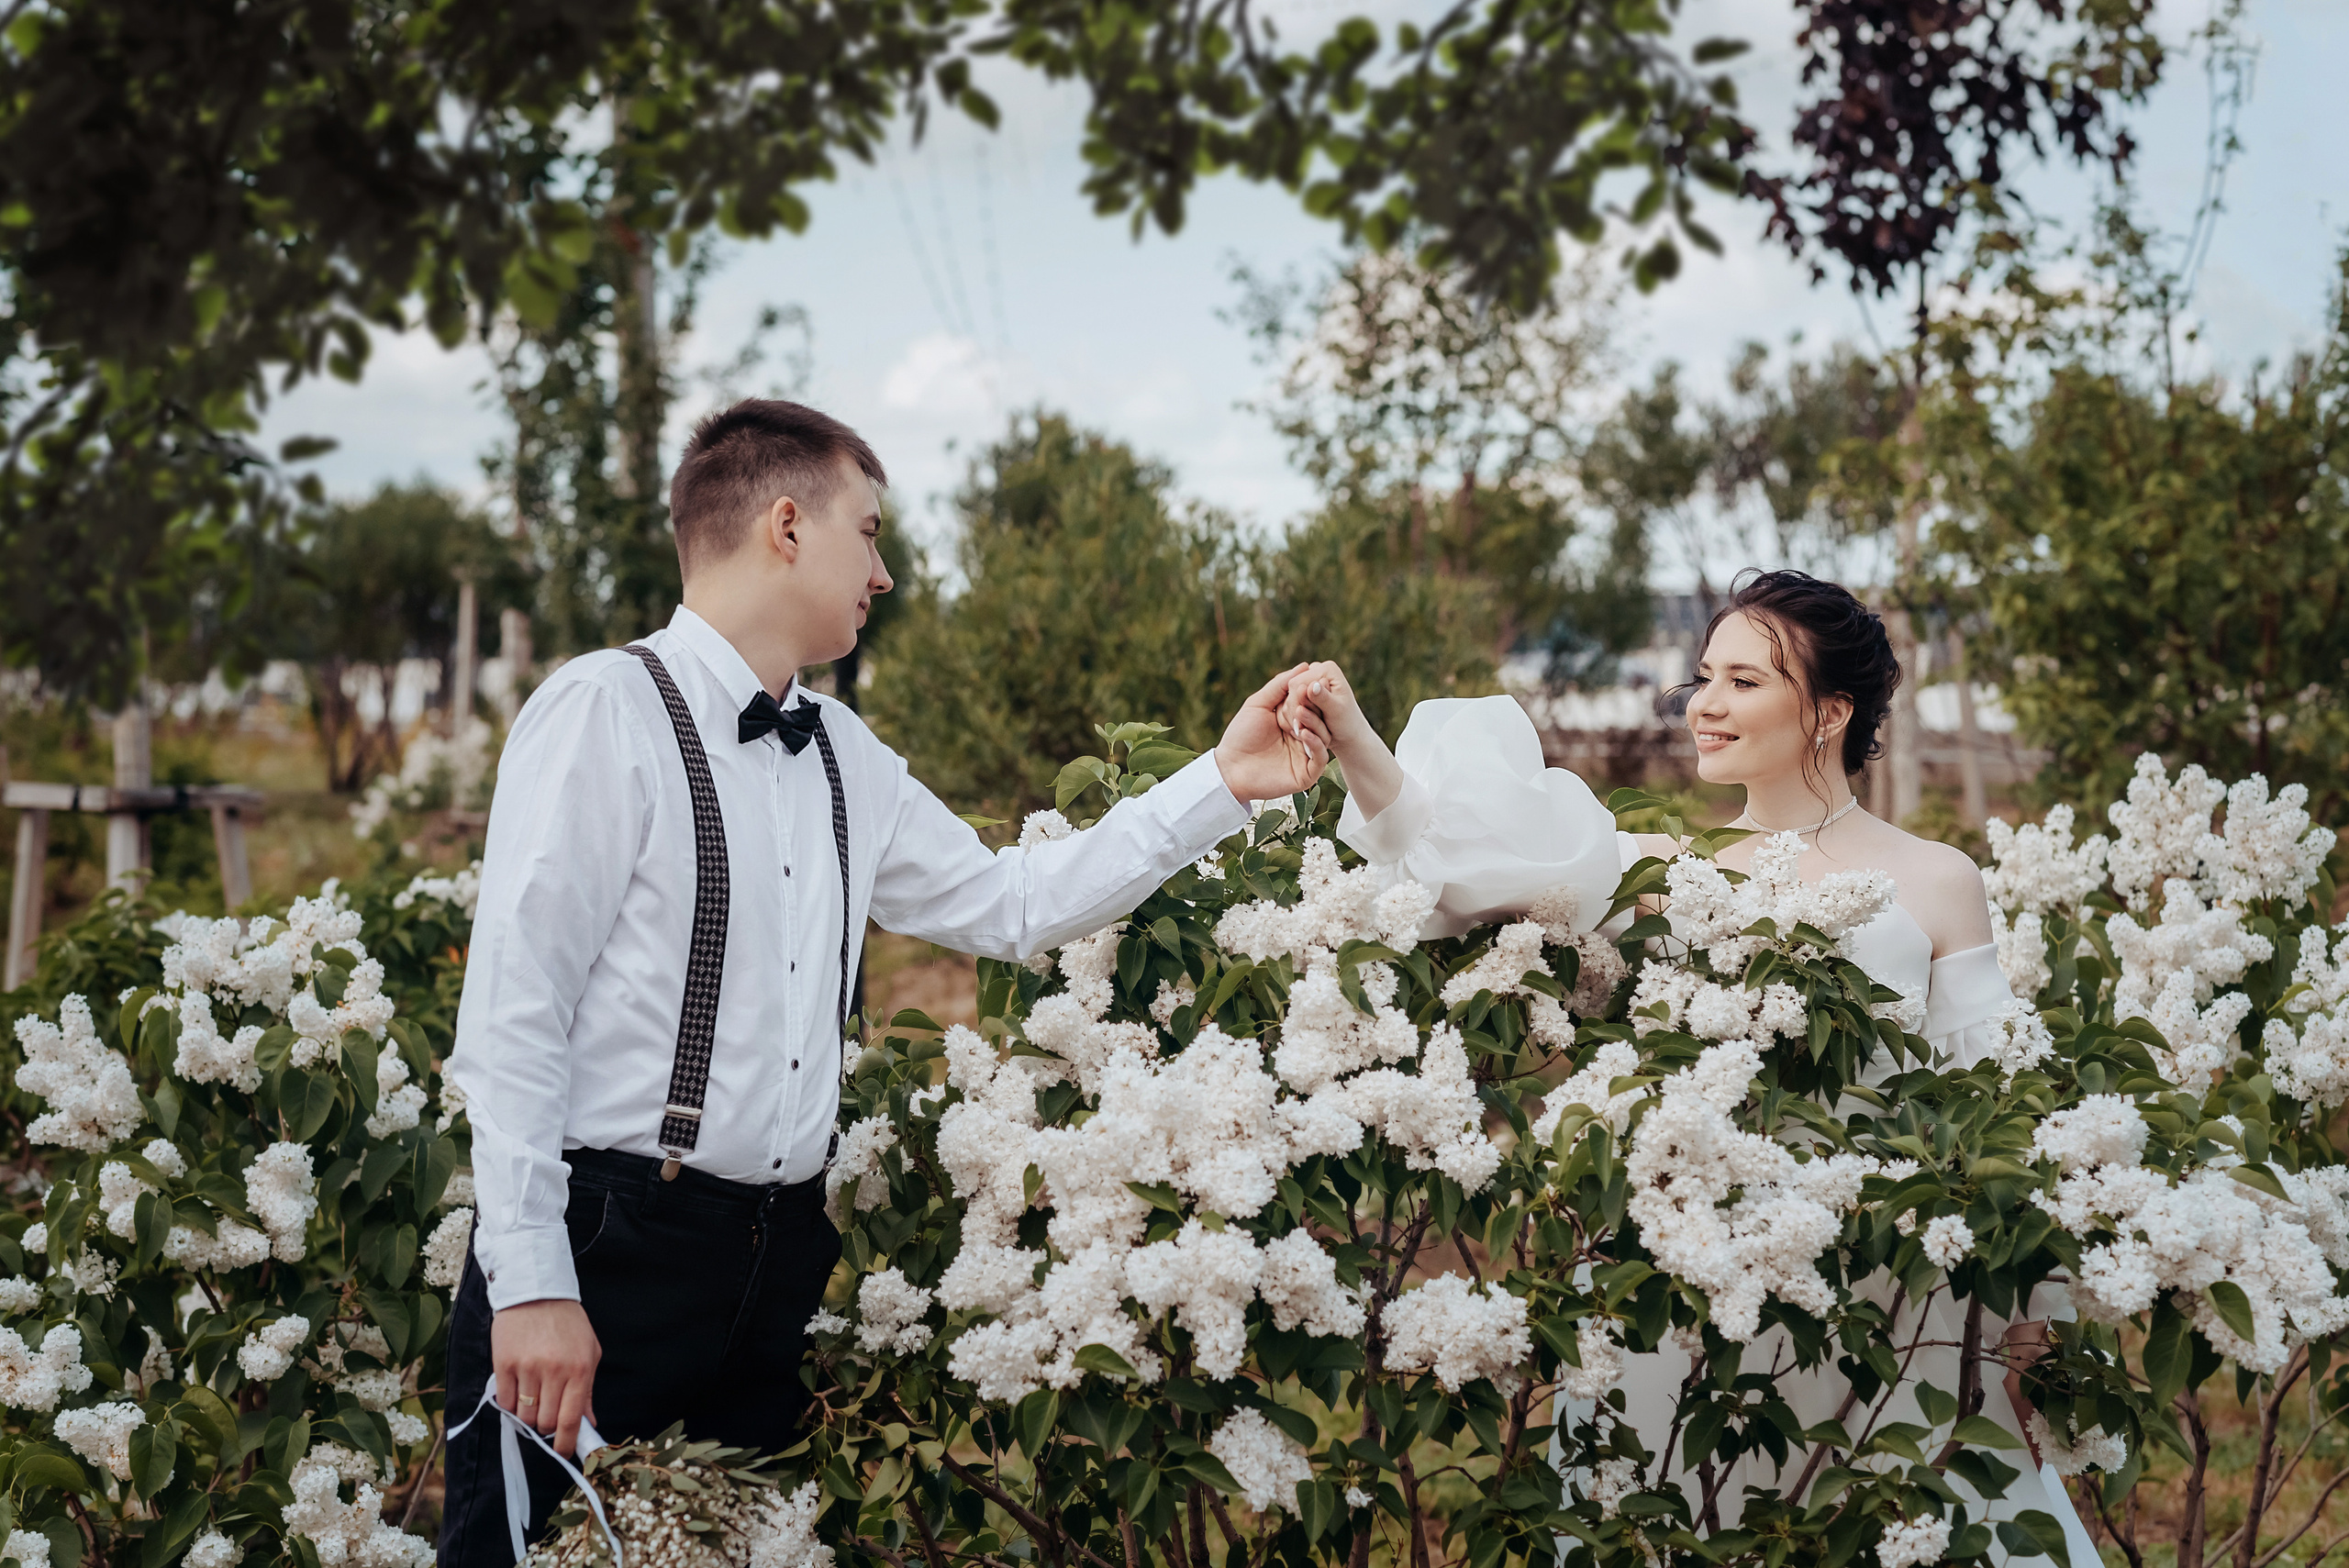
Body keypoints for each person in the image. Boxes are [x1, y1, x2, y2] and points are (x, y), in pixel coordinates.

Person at [438, 398, 1331, 1566]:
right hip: (610, 1247)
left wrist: (1219, 782)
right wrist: (534, 1282)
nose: (887, 572)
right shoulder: (603, 709)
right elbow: (513, 1014)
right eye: (870, 533)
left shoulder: (846, 754)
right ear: (788, 524)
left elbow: (1014, 904)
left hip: (770, 1262)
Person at [1278, 569, 2097, 1566]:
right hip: (1690, 1287)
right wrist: (1352, 731)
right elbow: (1460, 861)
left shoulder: (1935, 878)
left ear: (1829, 710)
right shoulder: (1665, 870)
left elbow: (1999, 1111)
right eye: (1702, 675)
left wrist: (2031, 1329)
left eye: (1743, 681)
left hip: (1884, 1292)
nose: (1702, 704)